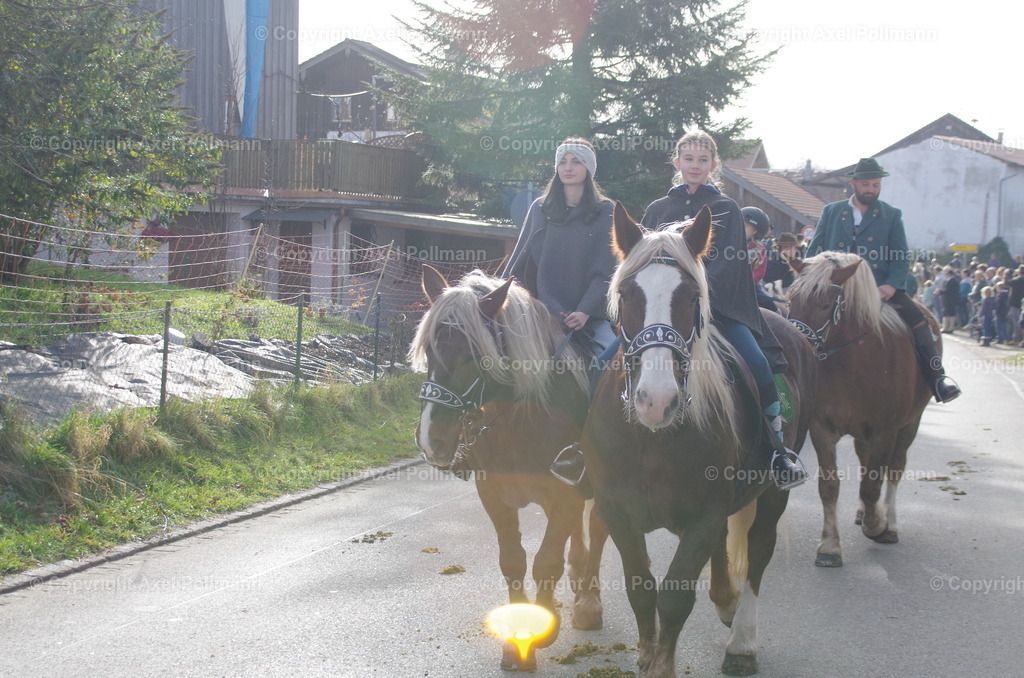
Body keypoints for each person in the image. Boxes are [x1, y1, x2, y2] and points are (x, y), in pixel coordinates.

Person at [641, 130, 806, 489]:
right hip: (662, 313)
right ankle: (586, 444)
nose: (695, 166)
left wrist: (692, 294)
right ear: (677, 163)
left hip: (719, 310)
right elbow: (643, 261)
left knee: (760, 364)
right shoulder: (658, 209)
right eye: (689, 159)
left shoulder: (726, 209)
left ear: (714, 165)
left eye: (703, 160)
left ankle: (778, 445)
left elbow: (729, 264)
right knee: (609, 358)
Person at [805, 157, 961, 403]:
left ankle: (937, 378)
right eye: (867, 184)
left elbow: (901, 256)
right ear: (854, 183)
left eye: (876, 185)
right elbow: (814, 251)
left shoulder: (890, 215)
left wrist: (890, 285)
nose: (871, 189)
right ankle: (791, 376)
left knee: (918, 319)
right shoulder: (832, 211)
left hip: (878, 287)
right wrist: (812, 280)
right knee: (800, 318)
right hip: (835, 286)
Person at [503, 137, 617, 358]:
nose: (568, 167)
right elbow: (520, 264)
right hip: (539, 315)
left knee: (611, 365)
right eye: (563, 161)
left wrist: (585, 311)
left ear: (589, 167)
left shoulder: (606, 211)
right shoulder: (540, 208)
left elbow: (608, 272)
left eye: (576, 161)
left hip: (589, 319)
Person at [740, 206, 778, 312]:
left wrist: (746, 281)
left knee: (769, 304)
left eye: (746, 225)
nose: (741, 227)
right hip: (730, 284)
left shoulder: (759, 250)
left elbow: (759, 272)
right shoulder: (730, 245)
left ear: (755, 231)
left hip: (750, 287)